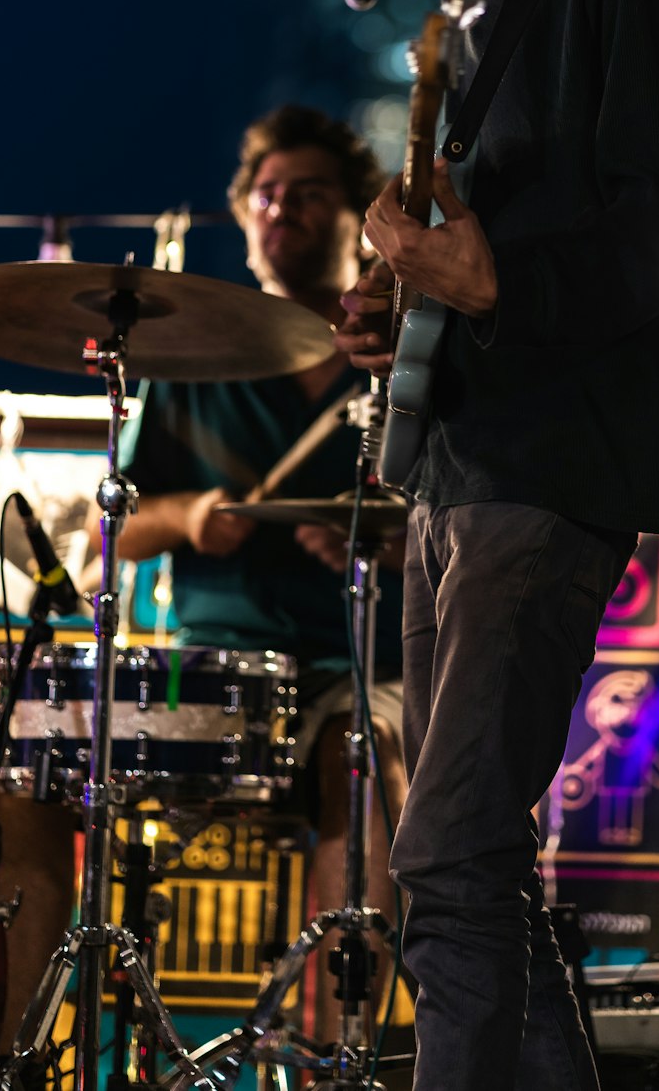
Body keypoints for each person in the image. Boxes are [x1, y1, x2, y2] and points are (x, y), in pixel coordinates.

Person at [252, 0, 659, 1091]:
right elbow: (495, 250)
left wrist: (487, 282)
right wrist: (414, 316)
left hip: (552, 466)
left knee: (447, 855)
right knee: (474, 873)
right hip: (463, 463)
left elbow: (658, 232)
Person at [110, 103, 408, 1035]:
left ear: (361, 218)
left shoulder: (398, 361)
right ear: (243, 221)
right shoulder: (189, 362)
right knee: (29, 779)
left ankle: (335, 1052)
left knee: (359, 756)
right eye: (267, 195)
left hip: (359, 664)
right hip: (213, 666)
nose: (284, 211)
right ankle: (27, 1053)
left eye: (311, 194)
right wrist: (188, 515)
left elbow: (454, 523)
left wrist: (381, 537)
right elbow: (117, 528)